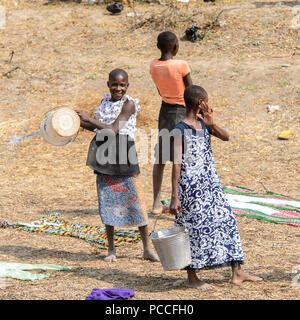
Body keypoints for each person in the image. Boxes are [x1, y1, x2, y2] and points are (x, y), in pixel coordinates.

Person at [169, 85, 263, 288]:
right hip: (191, 188)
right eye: (206, 100)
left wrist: (213, 123)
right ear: (199, 102)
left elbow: (226, 137)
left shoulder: (205, 124)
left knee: (227, 220)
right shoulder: (179, 131)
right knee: (192, 230)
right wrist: (175, 196)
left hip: (211, 185)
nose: (208, 104)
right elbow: (176, 164)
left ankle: (237, 271)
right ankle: (192, 277)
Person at [76, 68, 159, 263]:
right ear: (108, 85)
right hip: (103, 154)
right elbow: (97, 127)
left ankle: (147, 248)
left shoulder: (129, 104)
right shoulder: (104, 102)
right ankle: (111, 249)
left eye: (122, 85)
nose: (118, 88)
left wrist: (89, 118)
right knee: (107, 202)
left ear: (127, 86)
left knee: (136, 200)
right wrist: (78, 122)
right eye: (115, 84)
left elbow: (113, 129)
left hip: (124, 154)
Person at [150, 31, 193, 214]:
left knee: (160, 157)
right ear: (176, 47)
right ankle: (179, 199)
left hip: (165, 111)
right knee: (180, 159)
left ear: (158, 46)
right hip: (182, 112)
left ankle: (156, 203)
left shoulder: (153, 65)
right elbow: (191, 91)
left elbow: (160, 91)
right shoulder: (181, 65)